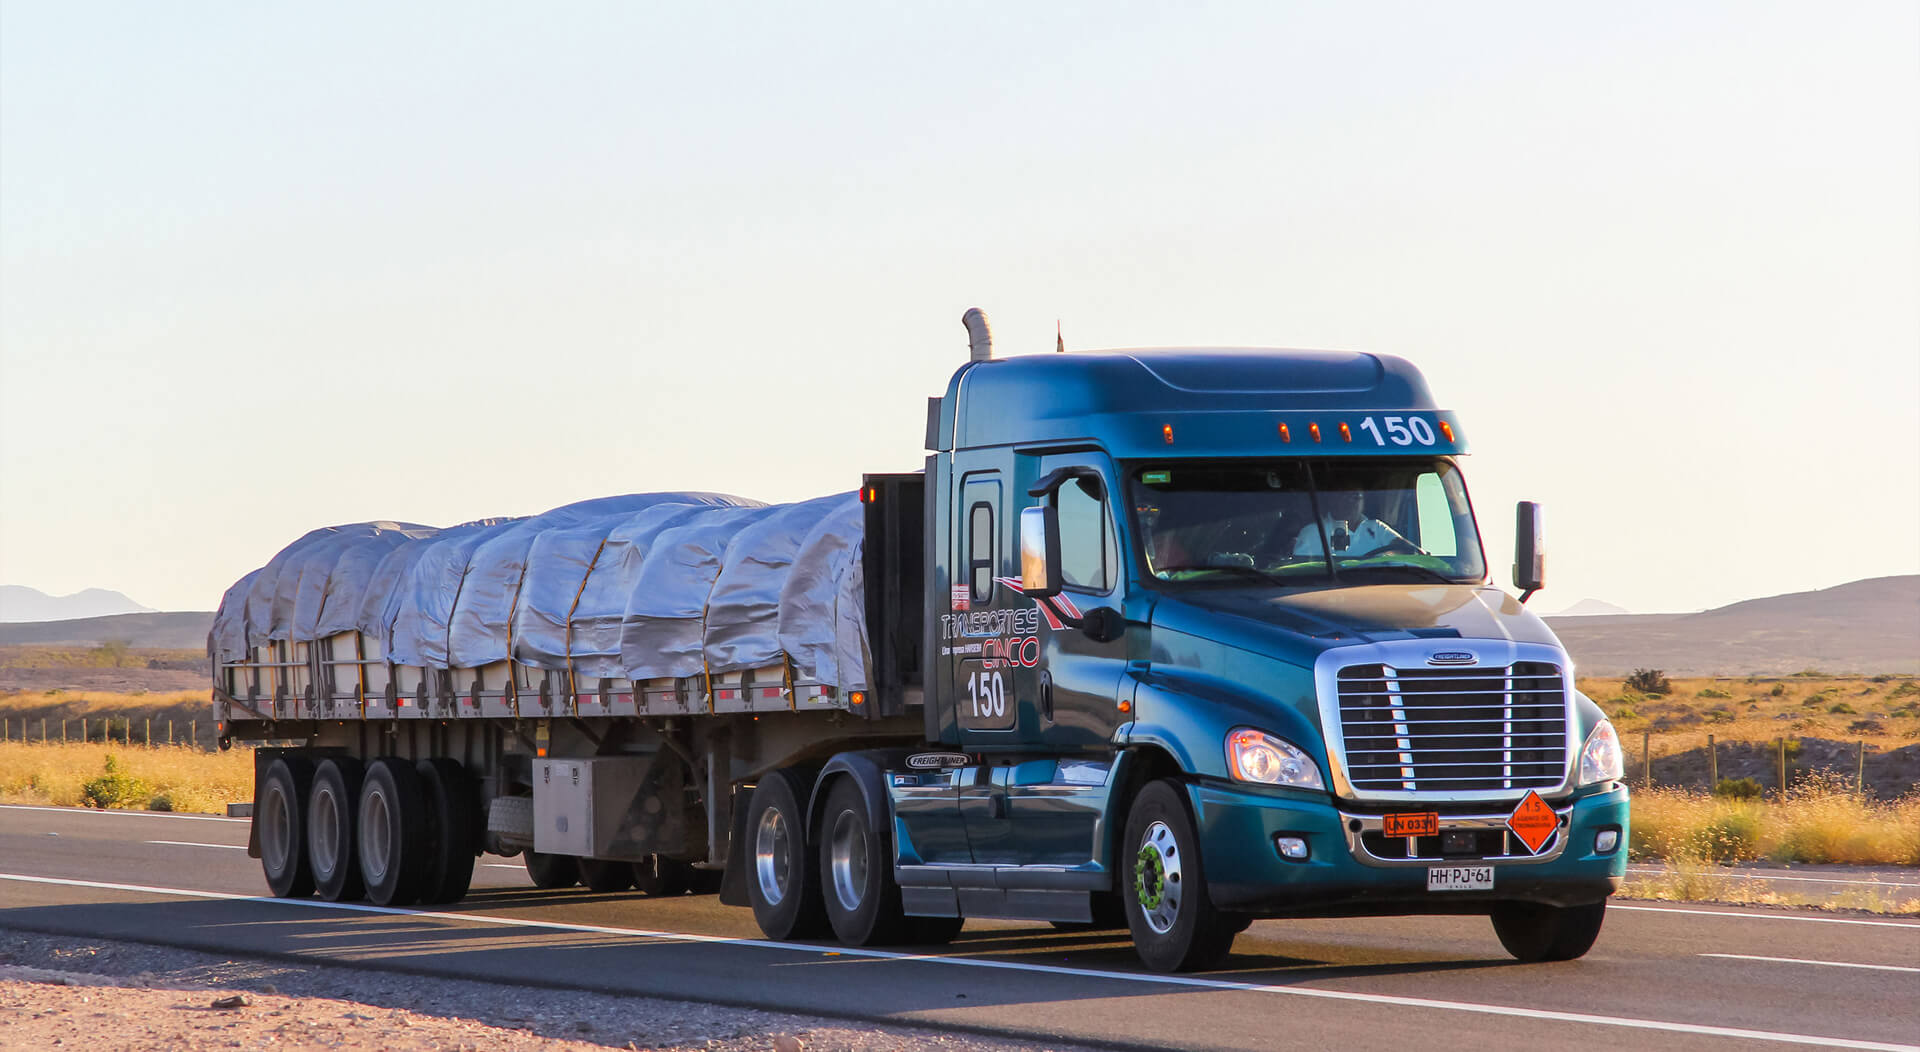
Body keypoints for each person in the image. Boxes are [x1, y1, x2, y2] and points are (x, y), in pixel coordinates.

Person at [1292, 490, 1418, 557]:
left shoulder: (1376, 527)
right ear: (1332, 500)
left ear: (1363, 501)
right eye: (1344, 496)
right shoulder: (1313, 531)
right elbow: (1300, 570)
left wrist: (1386, 557)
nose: (1350, 502)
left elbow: (1407, 549)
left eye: (1356, 496)